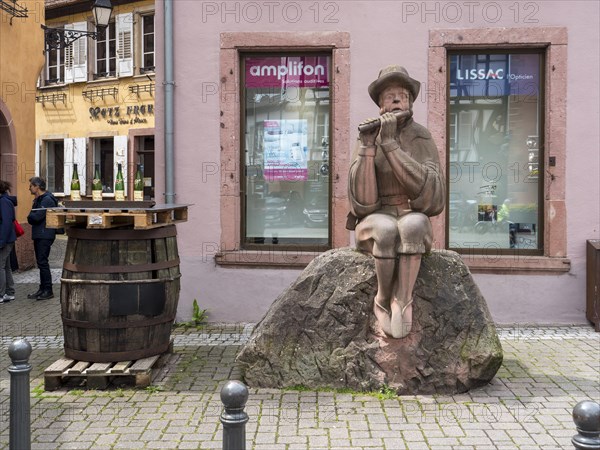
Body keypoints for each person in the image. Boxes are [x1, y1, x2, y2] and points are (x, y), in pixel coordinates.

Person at [348, 65, 445, 339]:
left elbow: (432, 199)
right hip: (377, 215)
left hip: (410, 210)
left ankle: (402, 302)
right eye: (389, 95)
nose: (395, 100)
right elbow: (362, 205)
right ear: (380, 104)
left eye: (401, 95)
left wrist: (391, 145)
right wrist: (369, 147)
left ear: (411, 101)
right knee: (386, 230)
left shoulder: (422, 136)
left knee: (414, 225)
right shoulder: (367, 137)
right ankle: (382, 299)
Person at [27, 177, 59, 300]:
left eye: (31, 185)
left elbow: (35, 217)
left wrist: (30, 215)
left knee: (43, 262)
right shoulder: (39, 199)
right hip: (40, 233)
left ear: (37, 186)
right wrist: (31, 214)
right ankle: (42, 288)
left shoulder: (47, 200)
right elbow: (33, 215)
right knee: (41, 262)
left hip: (45, 234)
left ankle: (48, 290)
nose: (29, 188)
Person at [0, 180, 17, 304]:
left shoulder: (3, 202)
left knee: (1, 266)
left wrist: (1, 241)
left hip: (5, 239)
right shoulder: (5, 201)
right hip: (7, 238)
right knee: (6, 266)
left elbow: (6, 223)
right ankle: (9, 292)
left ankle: (1, 294)